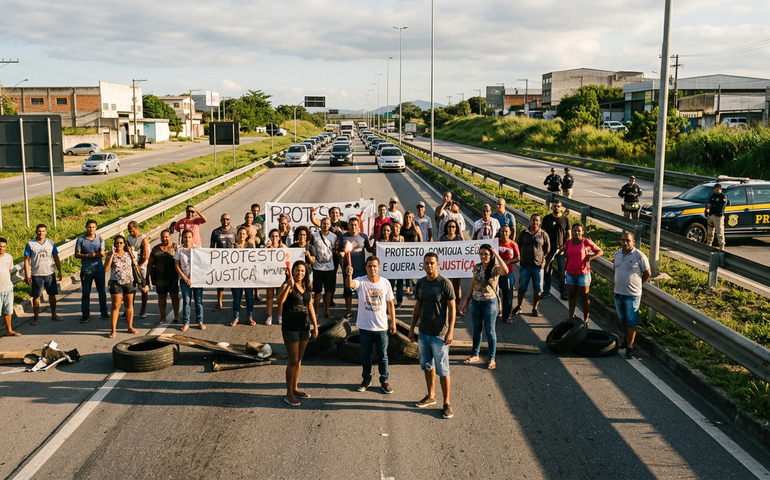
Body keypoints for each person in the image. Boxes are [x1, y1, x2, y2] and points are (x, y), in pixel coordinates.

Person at [408, 252, 456, 419]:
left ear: (438, 265)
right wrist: (412, 327)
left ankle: (447, 403)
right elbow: (417, 307)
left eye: (432, 263)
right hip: (423, 333)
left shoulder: (445, 284)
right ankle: (431, 395)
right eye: (427, 263)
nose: (429, 266)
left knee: (443, 370)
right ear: (423, 264)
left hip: (439, 335)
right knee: (427, 366)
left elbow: (452, 309)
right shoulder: (420, 283)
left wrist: (450, 331)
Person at [345, 256, 396, 394]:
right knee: (365, 355)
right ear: (366, 267)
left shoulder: (385, 283)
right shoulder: (361, 281)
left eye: (374, 266)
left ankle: (384, 380)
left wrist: (393, 322)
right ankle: (366, 379)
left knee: (383, 356)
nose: (372, 268)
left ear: (379, 267)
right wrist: (349, 274)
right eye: (369, 266)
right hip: (365, 327)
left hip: (381, 327)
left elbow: (390, 303)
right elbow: (350, 285)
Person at [459, 244, 508, 370]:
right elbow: (473, 283)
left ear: (490, 255)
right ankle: (475, 354)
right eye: (481, 254)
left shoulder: (495, 268)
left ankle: (492, 358)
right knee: (476, 329)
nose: (483, 256)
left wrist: (496, 254)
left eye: (486, 254)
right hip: (476, 302)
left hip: (489, 303)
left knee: (490, 331)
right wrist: (466, 300)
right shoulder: (477, 267)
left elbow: (506, 270)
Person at [277, 260, 319, 406]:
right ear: (292, 271)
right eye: (297, 270)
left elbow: (310, 306)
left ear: (305, 272)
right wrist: (288, 286)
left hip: (304, 327)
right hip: (291, 328)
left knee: (299, 360)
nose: (299, 273)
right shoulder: (287, 285)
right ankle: (288, 393)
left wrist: (315, 325)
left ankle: (295, 388)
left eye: (302, 271)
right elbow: (279, 301)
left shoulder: (306, 287)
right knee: (293, 360)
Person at [613, 232, 651, 359]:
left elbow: (647, 273)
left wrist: (639, 285)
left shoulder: (639, 256)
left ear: (633, 242)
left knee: (632, 321)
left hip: (632, 294)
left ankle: (630, 346)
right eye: (623, 240)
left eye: (628, 240)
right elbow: (616, 269)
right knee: (623, 320)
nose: (625, 243)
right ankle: (625, 340)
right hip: (618, 292)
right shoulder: (617, 254)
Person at [564, 224, 603, 324]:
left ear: (582, 232)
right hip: (570, 273)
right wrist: (563, 271)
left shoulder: (585, 242)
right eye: (574, 231)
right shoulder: (568, 243)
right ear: (571, 231)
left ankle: (586, 320)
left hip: (583, 274)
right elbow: (566, 257)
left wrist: (591, 257)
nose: (576, 233)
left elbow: (600, 251)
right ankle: (571, 317)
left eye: (579, 231)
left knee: (584, 297)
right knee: (571, 296)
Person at [24, 224, 63, 325]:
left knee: (52, 295)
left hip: (49, 273)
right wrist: (27, 275)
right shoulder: (30, 244)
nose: (41, 233)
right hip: (36, 274)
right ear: (36, 231)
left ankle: (54, 314)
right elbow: (26, 260)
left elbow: (56, 257)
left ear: (46, 232)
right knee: (36, 296)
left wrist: (59, 271)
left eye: (43, 231)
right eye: (39, 231)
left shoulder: (51, 243)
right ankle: (36, 318)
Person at [512, 214, 550, 317]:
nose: (535, 222)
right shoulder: (523, 233)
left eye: (537, 221)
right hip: (525, 266)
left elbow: (547, 249)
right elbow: (517, 246)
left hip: (538, 266)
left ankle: (535, 308)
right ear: (530, 221)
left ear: (540, 222)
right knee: (522, 287)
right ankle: (519, 306)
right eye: (533, 220)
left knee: (538, 289)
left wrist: (543, 259)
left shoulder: (543, 235)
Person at [337, 216, 372, 320]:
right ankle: (349, 312)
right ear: (348, 225)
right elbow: (339, 251)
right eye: (351, 225)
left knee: (361, 292)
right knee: (348, 291)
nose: (353, 227)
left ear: (358, 225)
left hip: (361, 269)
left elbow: (368, 249)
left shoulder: (363, 236)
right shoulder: (343, 237)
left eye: (355, 225)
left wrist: (375, 245)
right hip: (348, 269)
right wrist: (341, 255)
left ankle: (362, 312)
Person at [74, 219, 108, 323]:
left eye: (93, 227)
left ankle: (104, 312)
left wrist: (89, 255)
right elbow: (77, 254)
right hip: (86, 270)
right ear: (86, 227)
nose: (91, 229)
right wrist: (92, 255)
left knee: (102, 291)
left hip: (99, 269)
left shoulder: (100, 239)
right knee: (85, 293)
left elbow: (102, 253)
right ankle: (85, 314)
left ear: (96, 228)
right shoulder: (81, 240)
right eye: (89, 227)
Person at [104, 235, 138, 338]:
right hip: (116, 283)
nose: (119, 245)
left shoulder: (129, 254)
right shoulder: (111, 254)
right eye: (117, 243)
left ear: (124, 244)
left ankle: (130, 326)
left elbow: (135, 265)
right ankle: (113, 330)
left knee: (129, 305)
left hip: (128, 282)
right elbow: (106, 268)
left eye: (121, 243)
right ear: (114, 244)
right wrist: (112, 254)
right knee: (116, 306)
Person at [146, 229, 179, 325]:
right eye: (162, 237)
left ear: (170, 237)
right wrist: (146, 277)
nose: (164, 238)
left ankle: (176, 316)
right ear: (160, 238)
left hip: (173, 277)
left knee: (174, 296)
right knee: (162, 297)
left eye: (166, 236)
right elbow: (150, 264)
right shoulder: (155, 249)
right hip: (159, 278)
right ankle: (163, 317)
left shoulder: (175, 247)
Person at [175, 229, 204, 332]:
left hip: (197, 280)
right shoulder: (179, 250)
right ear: (182, 238)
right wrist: (185, 278)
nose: (187, 239)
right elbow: (177, 265)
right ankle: (186, 322)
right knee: (186, 301)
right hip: (185, 279)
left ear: (192, 238)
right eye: (185, 237)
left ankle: (200, 321)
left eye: (189, 237)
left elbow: (203, 263)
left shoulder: (198, 248)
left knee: (199, 301)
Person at [542, 200, 571, 300]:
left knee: (562, 271)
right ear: (551, 207)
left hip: (562, 250)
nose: (556, 208)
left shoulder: (565, 219)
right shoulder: (547, 219)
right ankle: (546, 291)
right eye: (554, 206)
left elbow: (569, 235)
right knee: (547, 270)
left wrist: (566, 246)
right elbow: (543, 234)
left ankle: (563, 292)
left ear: (561, 208)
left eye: (558, 206)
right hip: (549, 250)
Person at [312, 217, 338, 319]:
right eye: (323, 223)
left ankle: (327, 311)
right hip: (317, 268)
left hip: (330, 268)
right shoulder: (314, 236)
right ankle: (316, 312)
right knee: (317, 291)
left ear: (330, 225)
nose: (325, 225)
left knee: (328, 291)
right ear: (320, 224)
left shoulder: (334, 236)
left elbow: (335, 251)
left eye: (327, 224)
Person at [210, 213, 237, 311]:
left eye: (227, 219)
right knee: (220, 282)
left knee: (233, 282)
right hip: (220, 261)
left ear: (230, 220)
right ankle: (219, 303)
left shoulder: (234, 231)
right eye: (223, 219)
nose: (225, 221)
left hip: (232, 261)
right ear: (220, 220)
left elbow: (239, 244)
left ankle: (236, 301)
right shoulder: (215, 232)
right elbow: (212, 247)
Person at [230, 226, 256, 326]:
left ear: (246, 235)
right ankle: (236, 318)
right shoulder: (233, 246)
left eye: (243, 234)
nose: (242, 235)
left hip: (248, 275)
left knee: (249, 297)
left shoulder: (250, 246)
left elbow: (255, 258)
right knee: (237, 297)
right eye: (240, 234)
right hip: (237, 276)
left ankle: (250, 317)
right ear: (237, 235)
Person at [264, 228, 288, 325]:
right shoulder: (267, 247)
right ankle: (269, 316)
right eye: (272, 236)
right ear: (269, 237)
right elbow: (259, 260)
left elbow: (289, 258)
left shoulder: (283, 247)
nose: (274, 238)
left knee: (280, 297)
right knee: (269, 297)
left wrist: (283, 249)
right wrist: (265, 248)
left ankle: (280, 316)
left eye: (276, 236)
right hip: (269, 274)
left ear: (279, 238)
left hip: (280, 275)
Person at [127, 221, 150, 318]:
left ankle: (143, 309)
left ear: (136, 228)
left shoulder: (143, 239)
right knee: (131, 287)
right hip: (132, 264)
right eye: (129, 230)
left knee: (143, 288)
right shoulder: (129, 238)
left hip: (141, 265)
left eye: (132, 230)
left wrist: (138, 267)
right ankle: (129, 308)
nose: (130, 232)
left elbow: (145, 255)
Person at [497, 225, 520, 323]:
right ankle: (496, 312)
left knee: (508, 295)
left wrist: (509, 261)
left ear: (510, 233)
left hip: (508, 273)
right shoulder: (495, 242)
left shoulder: (513, 244)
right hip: (496, 273)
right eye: (502, 231)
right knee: (495, 294)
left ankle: (507, 315)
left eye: (506, 232)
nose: (504, 233)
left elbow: (518, 258)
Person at [439, 219, 464, 303]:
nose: (451, 228)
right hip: (445, 267)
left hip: (456, 267)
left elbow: (464, 251)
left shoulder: (459, 239)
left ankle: (457, 309)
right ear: (446, 228)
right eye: (449, 226)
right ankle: (446, 308)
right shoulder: (441, 238)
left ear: (456, 228)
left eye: (453, 226)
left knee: (457, 287)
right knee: (446, 287)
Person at [0, 237, 20, 336]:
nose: (1, 248)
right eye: (0, 246)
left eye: (3, 247)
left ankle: (9, 330)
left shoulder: (9, 257)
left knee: (8, 311)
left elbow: (10, 270)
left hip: (8, 288)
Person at [705, 183, 728, 250]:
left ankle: (721, 247)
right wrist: (707, 209)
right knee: (709, 232)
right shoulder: (713, 196)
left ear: (720, 189)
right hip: (711, 215)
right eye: (715, 189)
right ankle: (708, 245)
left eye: (718, 189)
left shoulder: (722, 197)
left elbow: (721, 208)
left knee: (719, 232)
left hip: (718, 217)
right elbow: (708, 204)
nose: (716, 190)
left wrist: (713, 206)